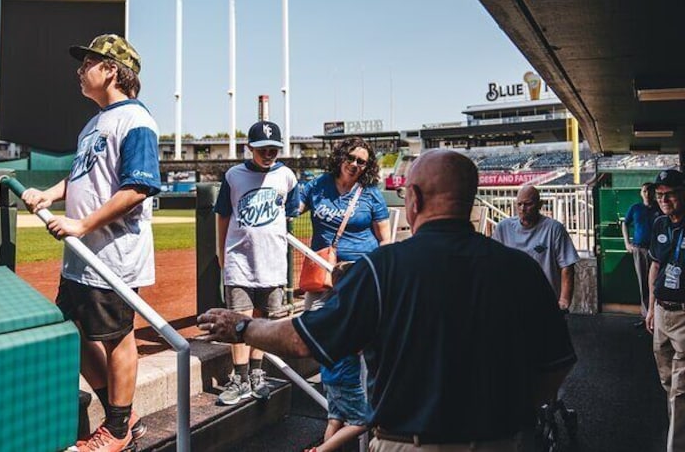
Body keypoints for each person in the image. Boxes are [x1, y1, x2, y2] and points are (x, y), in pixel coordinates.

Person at [199, 150, 576, 451]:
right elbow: (558, 362)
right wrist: (518, 408)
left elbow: (302, 340)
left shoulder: (382, 269)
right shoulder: (519, 269)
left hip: (408, 442)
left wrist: (243, 326)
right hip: (502, 440)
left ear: (413, 199)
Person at [21, 33, 160, 452]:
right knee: (74, 332)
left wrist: (82, 226)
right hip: (82, 258)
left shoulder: (136, 120)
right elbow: (82, 176)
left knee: (117, 337)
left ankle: (116, 432)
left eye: (89, 64)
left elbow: (138, 188)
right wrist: (49, 193)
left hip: (112, 255)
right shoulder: (93, 123)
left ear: (112, 71)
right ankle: (124, 416)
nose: (80, 71)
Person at [299, 137, 391, 451]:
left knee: (359, 340)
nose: (354, 164)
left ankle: (357, 409)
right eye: (351, 157)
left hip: (359, 276)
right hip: (322, 276)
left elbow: (385, 242)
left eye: (361, 161)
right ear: (341, 156)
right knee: (320, 334)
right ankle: (343, 403)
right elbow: (290, 208)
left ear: (367, 166)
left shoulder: (371, 195)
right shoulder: (318, 185)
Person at [213, 119, 299, 405]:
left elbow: (290, 213)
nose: (269, 153)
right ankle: (239, 378)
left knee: (263, 320)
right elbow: (223, 214)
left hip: (273, 262)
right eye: (263, 148)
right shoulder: (234, 175)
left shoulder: (287, 176)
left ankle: (257, 373)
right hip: (239, 259)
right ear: (249, 147)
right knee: (238, 318)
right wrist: (220, 251)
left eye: (274, 148)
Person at [646, 169, 685, 452]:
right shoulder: (660, 224)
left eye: (669, 194)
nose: (664, 199)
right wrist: (649, 308)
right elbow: (655, 266)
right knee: (667, 383)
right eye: (659, 195)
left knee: (680, 391)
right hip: (660, 312)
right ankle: (678, 429)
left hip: (683, 317)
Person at [492, 185, 580, 310]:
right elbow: (493, 264)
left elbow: (567, 267)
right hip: (512, 301)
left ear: (540, 205)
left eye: (528, 204)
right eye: (519, 204)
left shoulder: (554, 229)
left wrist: (564, 300)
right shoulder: (503, 228)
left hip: (545, 301)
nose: (523, 208)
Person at [622, 182, 660, 326]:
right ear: (641, 193)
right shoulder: (635, 208)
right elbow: (624, 223)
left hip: (657, 250)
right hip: (640, 249)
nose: (647, 194)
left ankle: (657, 315)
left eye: (650, 191)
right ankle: (646, 317)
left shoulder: (659, 207)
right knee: (643, 282)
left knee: (657, 282)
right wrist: (627, 243)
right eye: (644, 191)